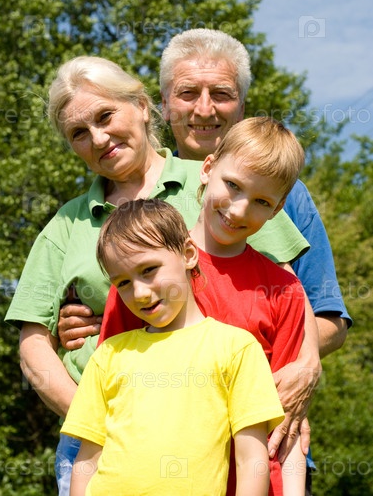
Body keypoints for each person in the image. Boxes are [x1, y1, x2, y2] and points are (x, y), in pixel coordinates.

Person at [4, 55, 308, 496]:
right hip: (110, 442)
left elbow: (288, 293)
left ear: (143, 106)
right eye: (78, 133)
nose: (98, 137)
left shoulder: (226, 181)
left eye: (105, 116)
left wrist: (306, 367)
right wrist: (106, 419)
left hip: (232, 432)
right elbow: (34, 343)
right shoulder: (64, 225)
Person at [99, 117, 313, 496]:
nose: (239, 209)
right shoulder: (144, 272)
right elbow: (109, 394)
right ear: (208, 169)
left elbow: (288, 422)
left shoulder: (284, 291)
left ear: (278, 209)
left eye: (262, 201)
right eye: (233, 185)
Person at [62, 198, 285, 496]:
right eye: (123, 283)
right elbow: (87, 460)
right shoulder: (108, 355)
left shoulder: (237, 348)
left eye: (149, 269)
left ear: (188, 254)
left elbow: (251, 460)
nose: (139, 292)